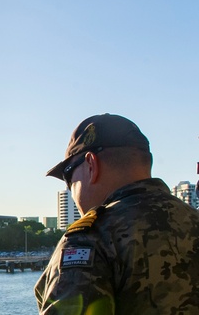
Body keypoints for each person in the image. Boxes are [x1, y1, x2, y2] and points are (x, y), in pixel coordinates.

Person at [35, 113, 199, 314]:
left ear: (91, 165)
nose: (70, 189)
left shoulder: (91, 239)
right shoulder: (193, 220)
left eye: (68, 176)